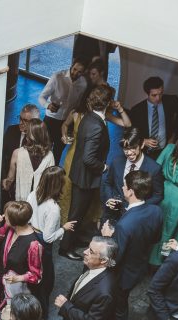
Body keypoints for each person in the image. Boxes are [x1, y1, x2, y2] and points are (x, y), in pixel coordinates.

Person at [100, 172, 165, 320]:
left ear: (130, 191)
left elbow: (114, 259)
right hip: (139, 266)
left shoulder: (124, 226)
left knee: (118, 308)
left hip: (123, 273)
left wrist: (108, 237)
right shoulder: (156, 211)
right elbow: (155, 238)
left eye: (124, 186)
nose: (122, 188)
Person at [59, 86, 112, 257]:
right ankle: (65, 248)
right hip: (85, 178)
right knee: (76, 214)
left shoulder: (88, 117)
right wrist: (103, 167)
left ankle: (73, 239)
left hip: (80, 174)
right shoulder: (96, 124)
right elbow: (88, 159)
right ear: (107, 104)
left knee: (79, 212)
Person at [0, 202, 44, 320]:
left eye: (7, 216)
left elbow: (36, 276)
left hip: (14, 290)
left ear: (15, 222)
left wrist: (18, 278)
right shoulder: (9, 229)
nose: (4, 217)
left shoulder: (33, 244)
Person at [55, 235, 117, 320]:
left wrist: (65, 306)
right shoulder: (92, 266)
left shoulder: (105, 292)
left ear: (103, 260)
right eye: (88, 248)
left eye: (91, 251)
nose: (84, 252)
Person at [29, 167, 75, 294]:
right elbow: (48, 238)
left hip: (30, 235)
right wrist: (64, 228)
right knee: (45, 277)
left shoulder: (33, 194)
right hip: (42, 243)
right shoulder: (53, 208)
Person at [100, 128, 163, 221]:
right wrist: (109, 198)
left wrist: (139, 207)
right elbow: (108, 183)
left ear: (142, 145)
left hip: (136, 218)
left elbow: (158, 195)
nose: (129, 153)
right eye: (125, 149)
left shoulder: (154, 168)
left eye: (133, 148)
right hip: (112, 214)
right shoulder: (116, 161)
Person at [38, 59, 87, 161]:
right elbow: (41, 97)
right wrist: (48, 105)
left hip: (66, 123)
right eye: (74, 69)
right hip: (51, 120)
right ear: (71, 66)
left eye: (80, 72)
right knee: (44, 149)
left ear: (83, 72)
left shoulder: (83, 84)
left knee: (58, 151)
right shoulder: (57, 77)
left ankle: (54, 170)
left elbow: (78, 104)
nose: (75, 73)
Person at [127, 76, 178, 159]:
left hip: (165, 150)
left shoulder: (171, 100)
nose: (158, 98)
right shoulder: (137, 110)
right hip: (145, 152)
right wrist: (143, 140)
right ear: (147, 94)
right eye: (154, 95)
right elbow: (130, 132)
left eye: (160, 93)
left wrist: (173, 134)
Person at [3, 119, 55, 204]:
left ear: (28, 135)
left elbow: (10, 180)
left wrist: (5, 183)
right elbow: (50, 182)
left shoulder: (17, 153)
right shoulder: (50, 155)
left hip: (21, 203)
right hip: (41, 201)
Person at [1, 104, 41, 180]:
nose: (20, 123)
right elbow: (1, 155)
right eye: (20, 118)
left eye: (25, 121)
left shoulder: (39, 139)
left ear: (35, 122)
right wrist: (3, 178)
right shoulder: (11, 130)